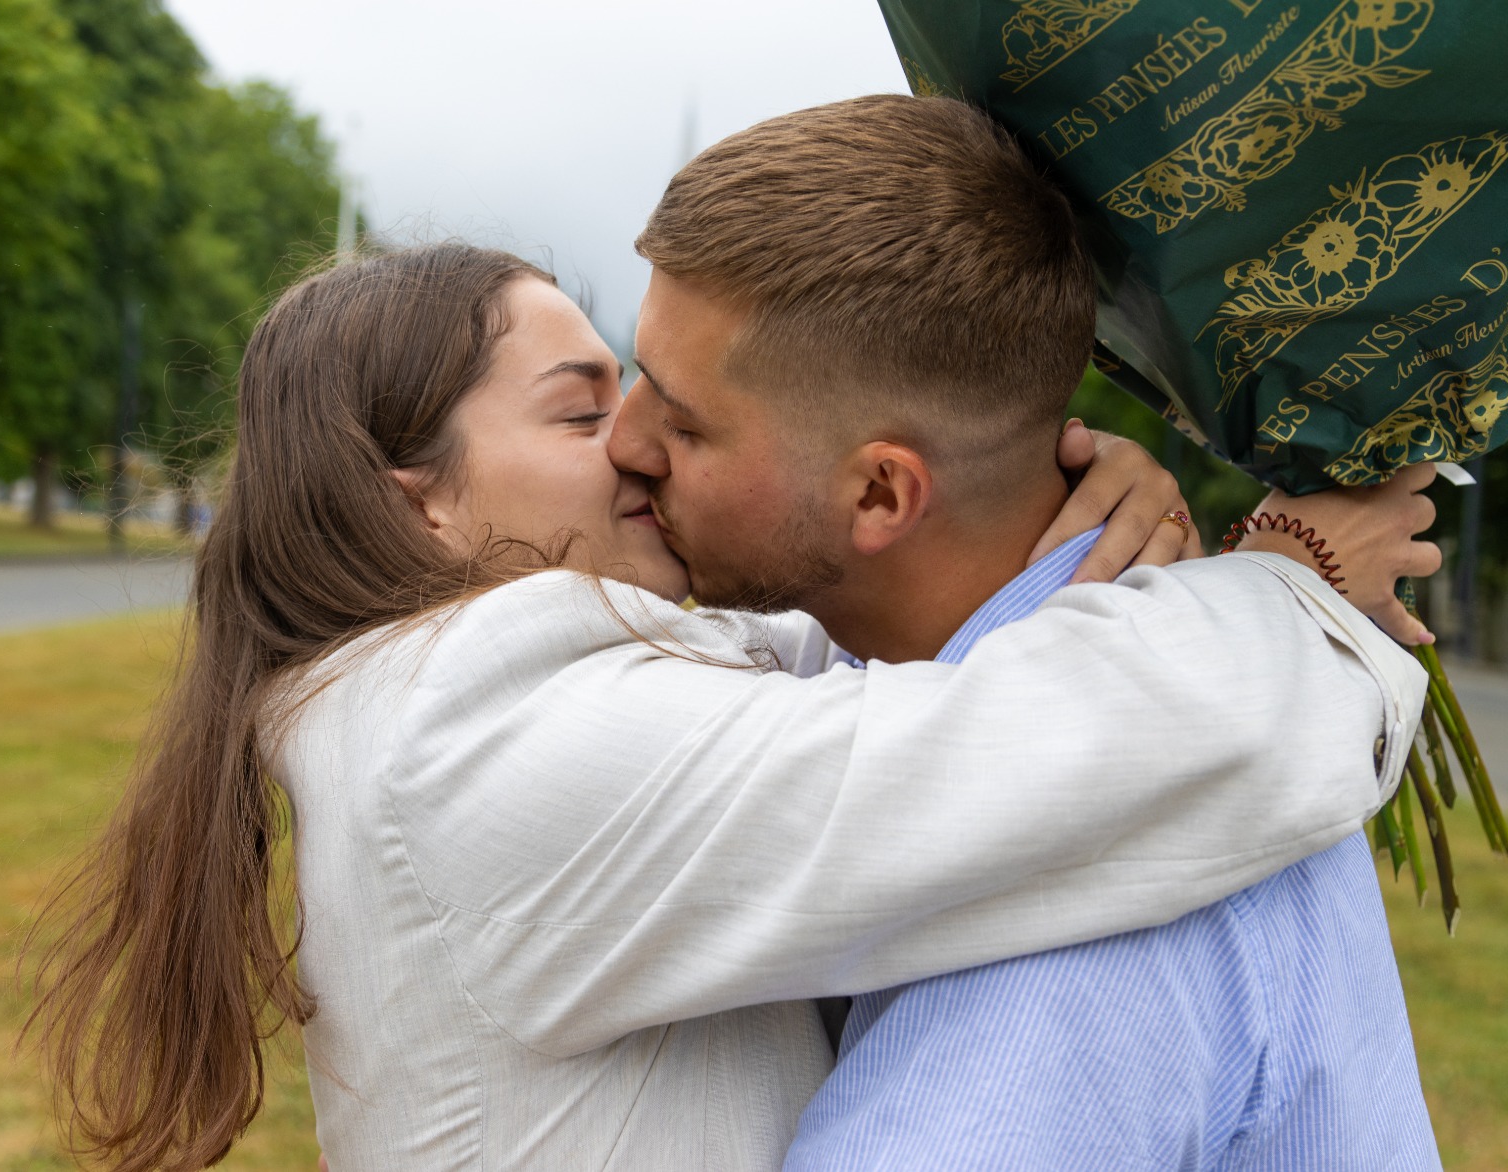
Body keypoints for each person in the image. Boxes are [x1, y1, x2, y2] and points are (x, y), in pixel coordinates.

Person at [27, 238, 1427, 1172]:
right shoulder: (467, 742)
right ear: (424, 501)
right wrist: (1298, 583)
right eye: (583, 416)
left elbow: (874, 656)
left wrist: (1046, 517)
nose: (639, 441)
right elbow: (997, 764)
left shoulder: (483, 705)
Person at [605, 95, 1441, 1169]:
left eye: (682, 422)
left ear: (879, 495)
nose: (622, 443)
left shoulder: (1079, 891)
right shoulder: (1163, 681)